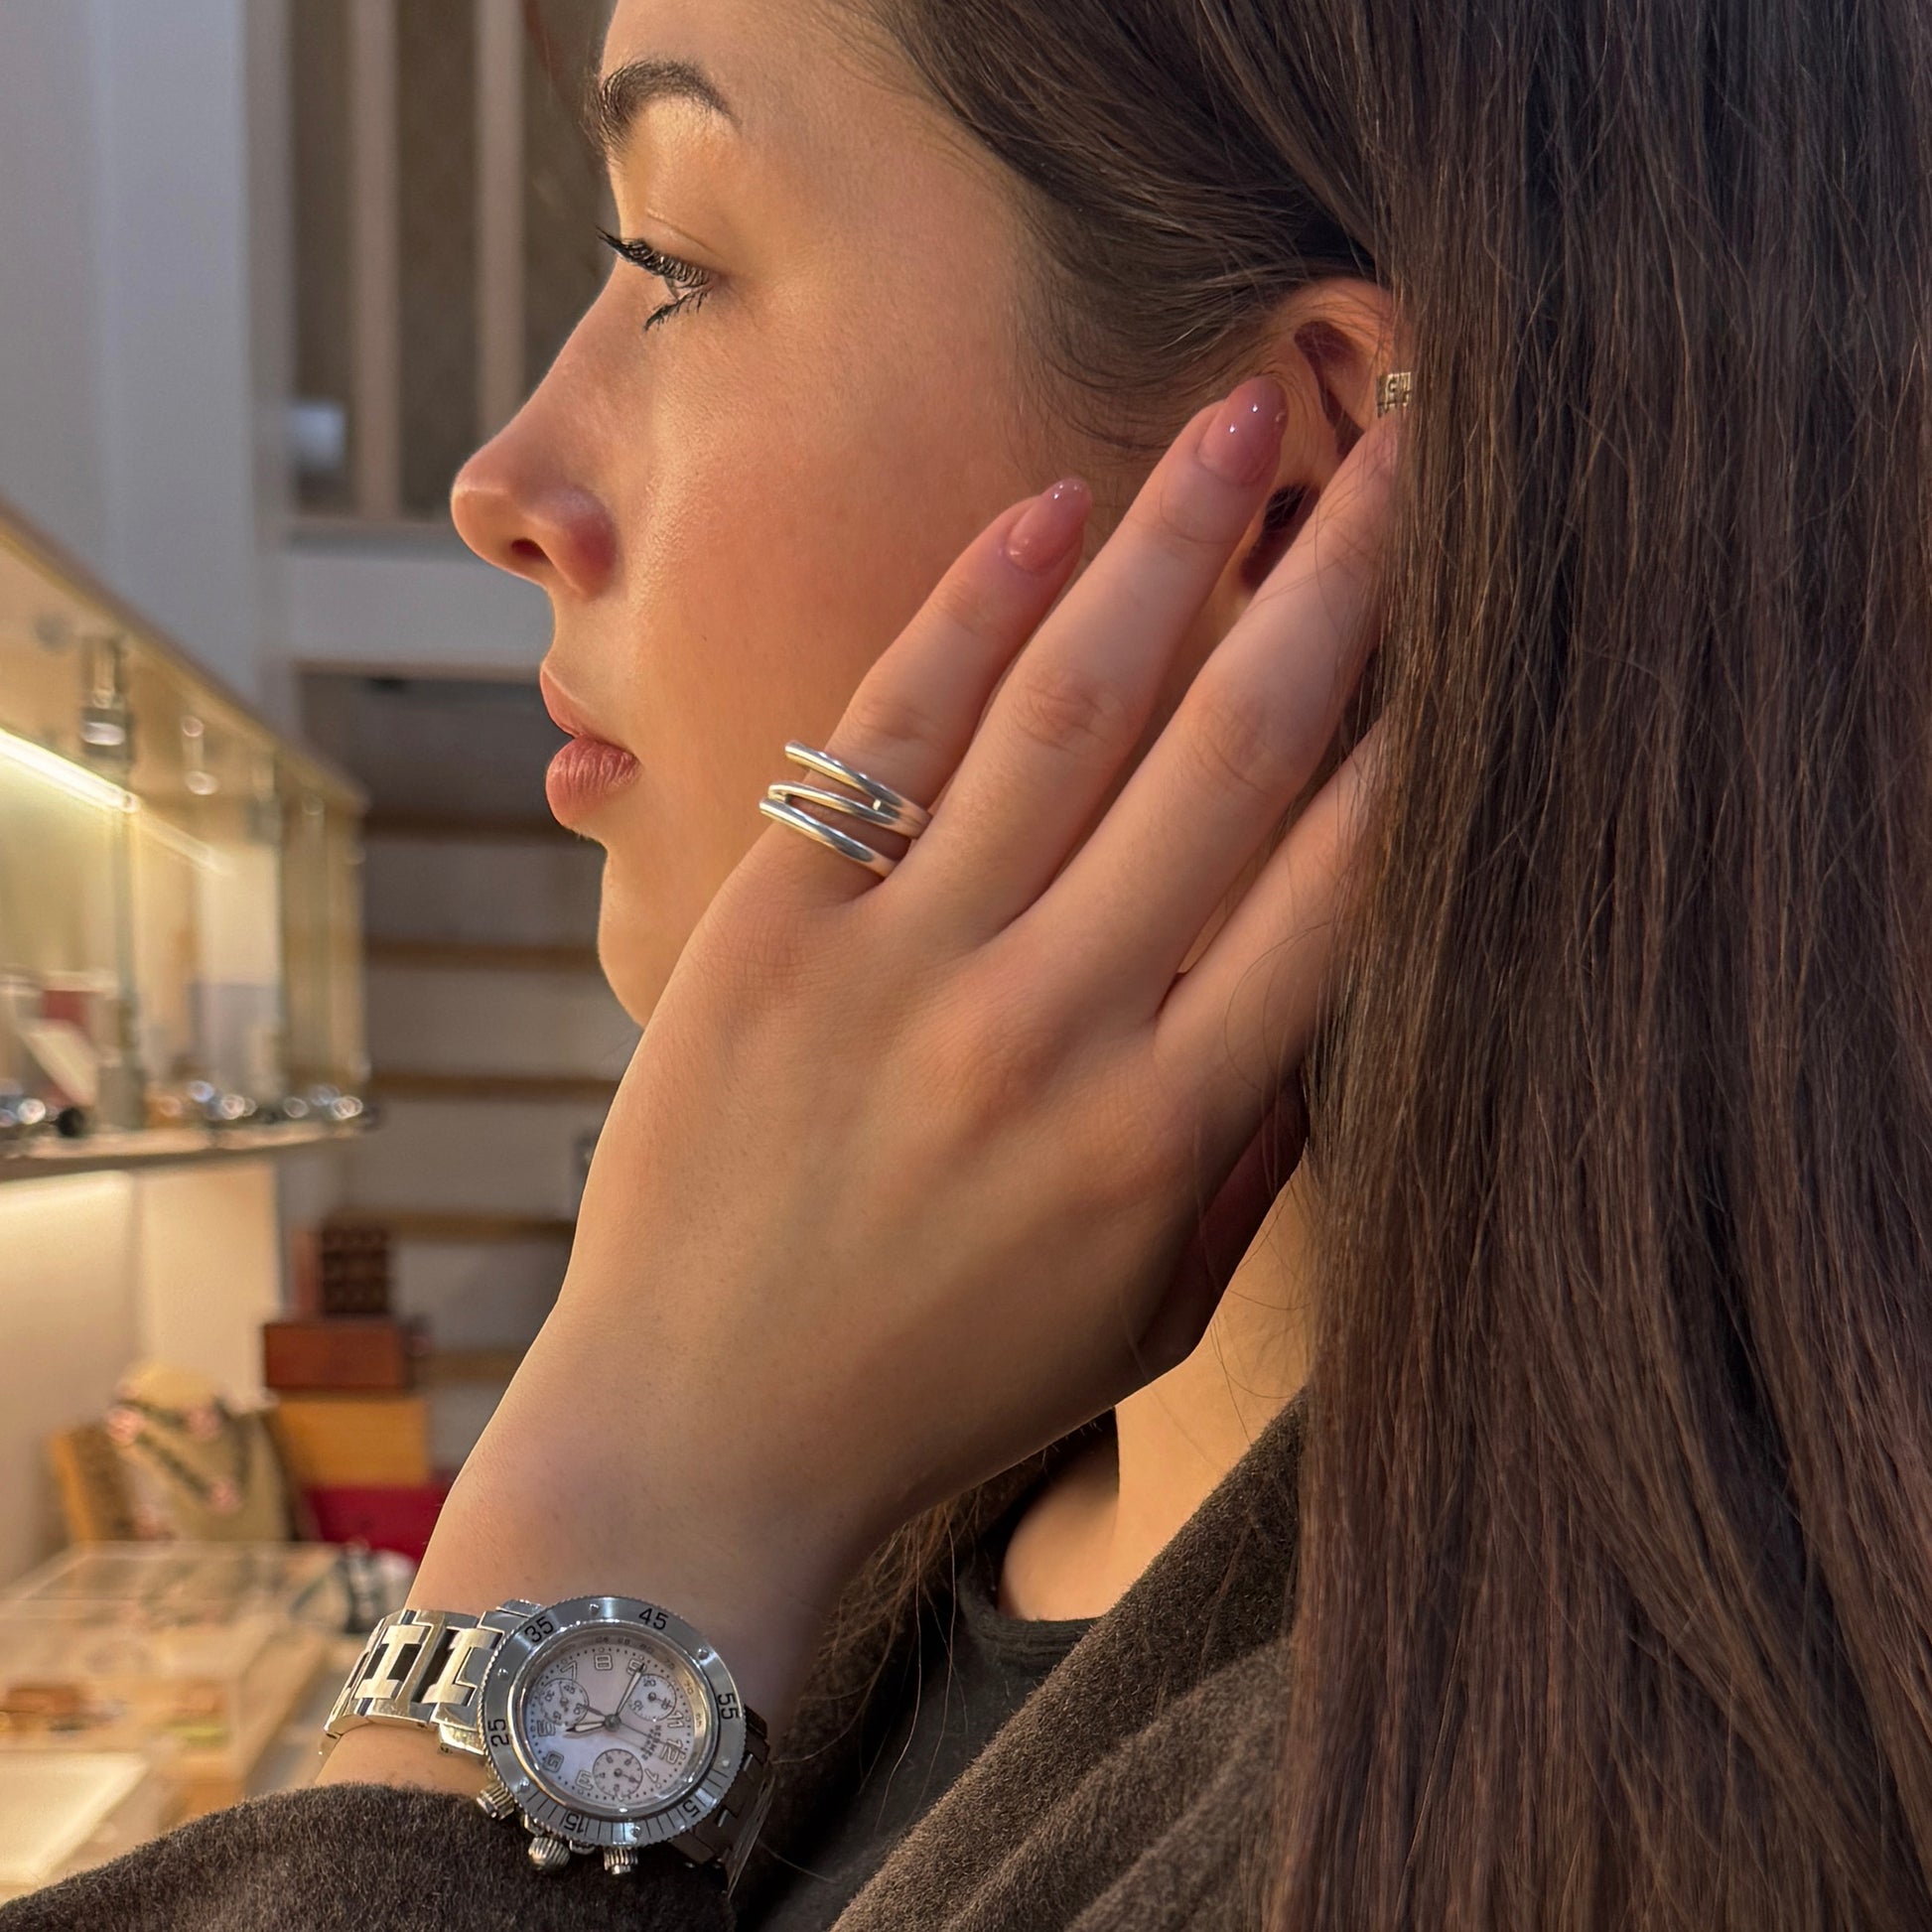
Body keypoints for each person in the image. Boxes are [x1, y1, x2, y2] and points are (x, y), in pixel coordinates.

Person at [9, 0, 1932, 1923]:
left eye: (670, 266)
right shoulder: (944, 1494)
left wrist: (610, 1524)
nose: (499, 482)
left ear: (1278, 500)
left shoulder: (1563, 1841)